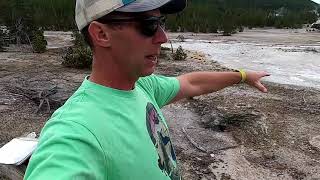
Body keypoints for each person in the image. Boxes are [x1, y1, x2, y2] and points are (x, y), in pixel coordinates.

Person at [24, 0, 270, 179]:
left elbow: (191, 83)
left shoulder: (142, 85)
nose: (163, 37)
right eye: (149, 24)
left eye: (161, 22)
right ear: (101, 34)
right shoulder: (75, 131)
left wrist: (243, 76)